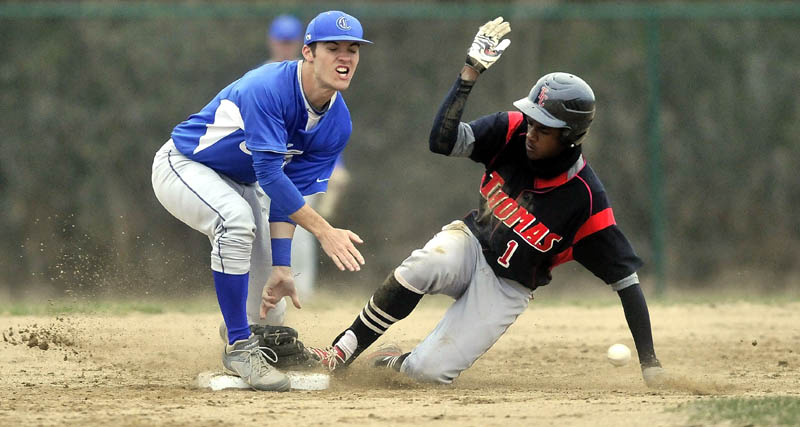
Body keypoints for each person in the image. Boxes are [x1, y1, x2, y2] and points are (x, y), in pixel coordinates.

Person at [304, 17, 666, 387]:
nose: (531, 131)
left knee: (426, 375)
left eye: (544, 128)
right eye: (531, 120)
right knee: (426, 264)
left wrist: (650, 363)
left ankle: (393, 362)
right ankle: (341, 352)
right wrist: (469, 74)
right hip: (472, 245)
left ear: (571, 136)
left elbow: (627, 283)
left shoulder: (585, 199)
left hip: (507, 288)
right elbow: (441, 142)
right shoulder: (511, 130)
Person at [151, 10, 371, 391]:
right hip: (183, 165)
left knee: (270, 310)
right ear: (308, 53)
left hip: (239, 182)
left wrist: (282, 266)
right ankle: (238, 345)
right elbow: (270, 176)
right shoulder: (268, 87)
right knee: (235, 220)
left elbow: (291, 190)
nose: (344, 58)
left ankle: (256, 336)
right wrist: (324, 231)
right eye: (332, 48)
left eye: (352, 49)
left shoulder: (338, 122)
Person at [265, 14, 352, 300]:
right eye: (282, 41)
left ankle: (303, 290)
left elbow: (320, 128)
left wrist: (335, 167)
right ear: (272, 42)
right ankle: (268, 286)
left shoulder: (318, 78)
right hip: (266, 170)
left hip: (298, 169)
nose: (285, 47)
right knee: (265, 230)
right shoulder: (265, 78)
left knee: (302, 227)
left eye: (290, 41)